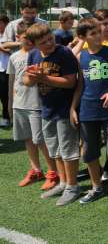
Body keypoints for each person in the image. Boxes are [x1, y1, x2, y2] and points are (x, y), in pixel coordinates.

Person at [24, 23, 80, 206]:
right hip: (47, 109)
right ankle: (63, 182)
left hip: (65, 109)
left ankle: (73, 186)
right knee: (54, 149)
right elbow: (26, 81)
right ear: (34, 44)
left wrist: (43, 78)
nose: (49, 43)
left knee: (68, 150)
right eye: (44, 42)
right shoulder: (33, 55)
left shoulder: (63, 53)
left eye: (50, 38)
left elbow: (71, 82)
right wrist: (32, 77)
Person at [69, 18, 108, 207]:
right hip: (88, 110)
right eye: (93, 33)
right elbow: (79, 86)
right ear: (82, 37)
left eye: (99, 32)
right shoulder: (80, 57)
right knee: (90, 152)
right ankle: (96, 186)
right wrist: (73, 108)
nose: (99, 36)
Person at [8, 23, 58, 190]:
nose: (28, 41)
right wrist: (11, 102)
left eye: (31, 39)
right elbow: (13, 81)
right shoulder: (14, 57)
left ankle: (53, 172)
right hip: (19, 104)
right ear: (18, 38)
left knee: (40, 140)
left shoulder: (39, 55)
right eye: (25, 38)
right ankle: (36, 170)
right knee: (28, 139)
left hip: (36, 104)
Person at [0, 14, 11, 127]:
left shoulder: (9, 36)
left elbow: (10, 51)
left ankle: (7, 117)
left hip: (6, 69)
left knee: (5, 95)